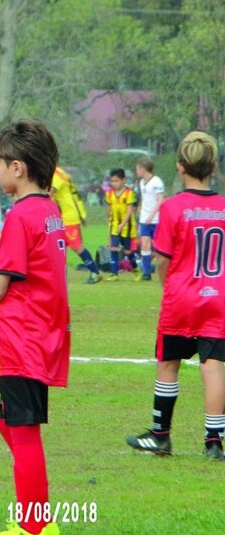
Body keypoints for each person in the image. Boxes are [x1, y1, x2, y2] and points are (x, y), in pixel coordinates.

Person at [0, 120, 66, 535]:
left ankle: (35, 527)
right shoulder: (50, 211)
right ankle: (39, 518)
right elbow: (35, 285)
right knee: (9, 424)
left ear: (18, 168)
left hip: (23, 340)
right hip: (37, 334)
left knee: (22, 431)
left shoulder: (22, 216)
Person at [126, 131, 225, 460]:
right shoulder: (223, 208)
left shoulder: (172, 208)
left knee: (169, 364)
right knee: (213, 369)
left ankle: (161, 436)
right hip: (217, 301)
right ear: (212, 166)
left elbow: (163, 261)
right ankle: (214, 442)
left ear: (181, 166)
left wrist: (168, 287)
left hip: (181, 298)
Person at [50, 166, 102, 284]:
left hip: (68, 217)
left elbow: (48, 194)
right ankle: (61, 276)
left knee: (76, 246)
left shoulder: (56, 175)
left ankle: (95, 272)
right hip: (60, 216)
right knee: (58, 247)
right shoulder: (56, 172)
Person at [104, 168, 139, 281]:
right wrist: (109, 223)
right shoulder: (109, 194)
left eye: (116, 181)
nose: (114, 183)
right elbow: (109, 210)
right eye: (112, 181)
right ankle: (114, 274)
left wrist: (122, 224)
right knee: (113, 248)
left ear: (123, 180)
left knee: (127, 251)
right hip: (114, 226)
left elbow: (129, 211)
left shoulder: (129, 193)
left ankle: (136, 269)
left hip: (127, 227)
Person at [135, 157, 165, 281]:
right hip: (144, 219)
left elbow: (160, 200)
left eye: (137, 169)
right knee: (145, 244)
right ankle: (146, 273)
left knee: (159, 247)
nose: (136, 171)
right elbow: (144, 199)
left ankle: (164, 271)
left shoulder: (157, 181)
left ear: (143, 169)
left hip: (156, 220)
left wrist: (152, 215)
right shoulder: (141, 182)